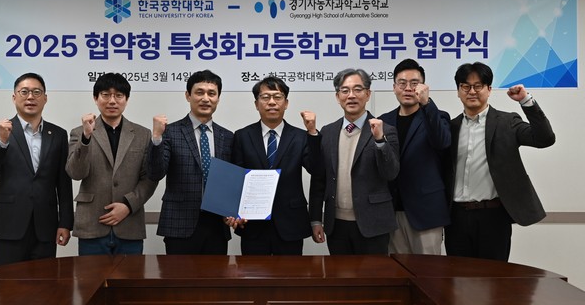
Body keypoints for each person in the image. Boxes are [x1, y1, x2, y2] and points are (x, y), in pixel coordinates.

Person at [448, 62, 555, 261]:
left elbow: (545, 139)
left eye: (478, 86)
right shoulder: (450, 127)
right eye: (466, 86)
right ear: (458, 91)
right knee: (458, 276)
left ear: (489, 89)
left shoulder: (507, 122)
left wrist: (526, 101)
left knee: (494, 277)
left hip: (494, 217)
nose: (472, 91)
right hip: (457, 218)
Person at [0, 73, 73, 266]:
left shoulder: (58, 134)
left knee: (45, 282)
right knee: (8, 283)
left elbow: (63, 182)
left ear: (45, 98)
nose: (30, 97)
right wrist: (1, 142)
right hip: (9, 224)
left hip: (45, 227)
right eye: (24, 92)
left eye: (37, 92)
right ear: (14, 97)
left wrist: (65, 223)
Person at [309, 68, 400, 255]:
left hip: (373, 224)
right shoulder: (327, 132)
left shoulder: (385, 130)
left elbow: (391, 173)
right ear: (338, 97)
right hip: (336, 225)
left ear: (368, 94)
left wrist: (380, 140)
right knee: (340, 274)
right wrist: (316, 219)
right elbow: (319, 179)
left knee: (374, 274)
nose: (351, 95)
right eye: (345, 90)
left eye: (358, 89)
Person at [66, 73, 158, 255]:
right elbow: (76, 173)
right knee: (90, 274)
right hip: (92, 223)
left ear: (127, 99)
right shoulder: (79, 132)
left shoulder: (143, 134)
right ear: (96, 98)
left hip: (129, 223)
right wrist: (86, 138)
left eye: (118, 95)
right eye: (106, 95)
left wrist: (128, 205)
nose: (112, 101)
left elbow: (149, 177)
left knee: (130, 275)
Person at [227, 76, 320, 255]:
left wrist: (312, 132)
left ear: (286, 103)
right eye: (265, 97)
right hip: (252, 224)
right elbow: (235, 180)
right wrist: (233, 212)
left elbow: (316, 169)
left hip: (290, 223)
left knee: (290, 273)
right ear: (256, 104)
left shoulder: (301, 137)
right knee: (253, 272)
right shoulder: (242, 136)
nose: (271, 102)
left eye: (277, 97)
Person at [148, 70, 233, 254]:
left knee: (217, 273)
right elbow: (155, 173)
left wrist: (232, 209)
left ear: (218, 98)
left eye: (211, 93)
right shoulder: (169, 132)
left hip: (217, 225)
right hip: (179, 223)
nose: (205, 98)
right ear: (188, 95)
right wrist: (156, 137)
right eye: (199, 92)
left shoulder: (227, 136)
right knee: (178, 274)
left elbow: (230, 180)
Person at [379, 59, 451, 255]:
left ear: (423, 87)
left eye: (414, 83)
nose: (408, 88)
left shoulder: (437, 116)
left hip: (425, 212)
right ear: (394, 87)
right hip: (392, 212)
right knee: (396, 269)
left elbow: (442, 142)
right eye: (402, 83)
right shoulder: (384, 120)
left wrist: (427, 104)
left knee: (429, 270)